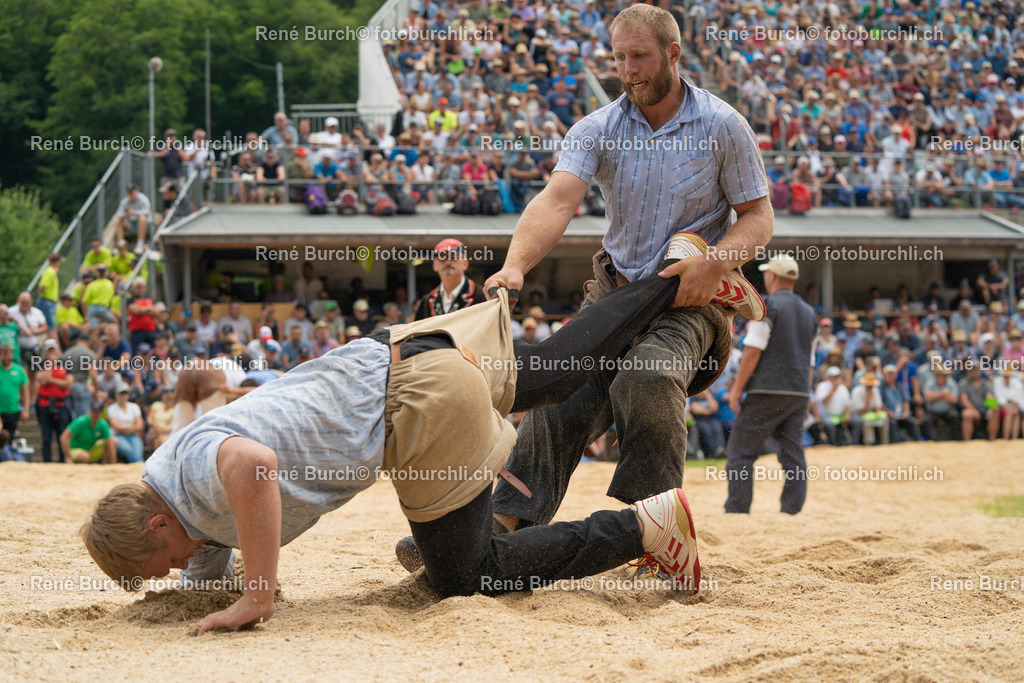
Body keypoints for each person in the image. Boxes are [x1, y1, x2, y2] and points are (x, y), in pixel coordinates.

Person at [80, 262, 702, 635]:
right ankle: (679, 281)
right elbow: (209, 548)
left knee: (468, 577)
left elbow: (255, 466)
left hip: (414, 405)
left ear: (158, 522)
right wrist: (204, 595)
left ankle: (645, 529)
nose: (166, 573)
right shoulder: (174, 493)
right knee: (555, 372)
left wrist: (258, 593)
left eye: (154, 565)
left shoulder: (190, 474)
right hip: (408, 355)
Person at [481, 4, 771, 547]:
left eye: (639, 56)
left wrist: (716, 262)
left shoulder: (724, 125)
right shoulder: (597, 128)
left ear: (673, 54)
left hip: (688, 304)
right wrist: (514, 266)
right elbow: (557, 200)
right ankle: (499, 529)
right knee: (557, 391)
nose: (629, 69)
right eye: (619, 57)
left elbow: (759, 216)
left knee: (648, 377)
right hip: (614, 297)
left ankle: (658, 536)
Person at [725, 255, 816, 514]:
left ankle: (737, 509)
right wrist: (806, 395)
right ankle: (791, 510)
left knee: (741, 452)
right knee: (793, 453)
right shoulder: (810, 313)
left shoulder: (766, 306)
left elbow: (753, 350)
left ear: (772, 276)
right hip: (798, 391)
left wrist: (737, 389)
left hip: (766, 388)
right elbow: (809, 361)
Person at [414, 238, 485, 319]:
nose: (448, 262)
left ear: (465, 263)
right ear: (435, 265)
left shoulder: (482, 296)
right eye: (442, 257)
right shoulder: (427, 301)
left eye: (453, 257)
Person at [35, 339, 73, 463]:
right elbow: (42, 380)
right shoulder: (40, 363)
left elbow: (67, 384)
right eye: (49, 350)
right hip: (44, 404)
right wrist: (50, 365)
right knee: (46, 436)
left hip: (61, 404)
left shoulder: (66, 363)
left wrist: (51, 380)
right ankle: (47, 461)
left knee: (62, 435)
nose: (52, 352)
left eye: (53, 349)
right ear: (46, 351)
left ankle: (63, 460)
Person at [61, 399, 118, 464]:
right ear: (89, 411)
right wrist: (68, 458)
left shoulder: (103, 424)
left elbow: (109, 441)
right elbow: (64, 437)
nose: (95, 414)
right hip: (76, 450)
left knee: (113, 441)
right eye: (93, 411)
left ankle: (105, 464)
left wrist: (113, 463)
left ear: (101, 414)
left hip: (91, 451)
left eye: (97, 412)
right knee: (84, 457)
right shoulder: (80, 422)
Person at [958, 361, 998, 441]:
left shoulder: (986, 384)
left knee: (994, 412)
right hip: (971, 409)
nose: (974, 372)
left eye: (976, 370)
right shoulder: (963, 383)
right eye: (972, 370)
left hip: (984, 410)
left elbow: (990, 398)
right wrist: (973, 410)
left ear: (980, 371)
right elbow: (964, 401)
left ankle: (992, 440)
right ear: (968, 371)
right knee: (967, 414)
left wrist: (992, 408)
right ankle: (967, 441)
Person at [108, 384, 145, 463]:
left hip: (133, 435)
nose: (123, 396)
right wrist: (132, 426)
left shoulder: (134, 407)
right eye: (121, 393)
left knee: (136, 451)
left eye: (125, 393)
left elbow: (139, 425)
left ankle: (139, 464)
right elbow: (116, 427)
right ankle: (141, 464)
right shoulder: (111, 408)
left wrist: (124, 428)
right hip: (118, 436)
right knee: (127, 450)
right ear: (116, 395)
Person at [849, 373, 889, 446]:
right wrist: (868, 398)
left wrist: (878, 413)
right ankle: (869, 442)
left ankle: (885, 442)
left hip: (871, 413)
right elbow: (862, 411)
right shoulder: (857, 392)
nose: (870, 387)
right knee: (866, 419)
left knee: (884, 417)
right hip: (858, 414)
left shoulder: (875, 390)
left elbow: (878, 406)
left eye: (871, 386)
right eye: (868, 385)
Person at [0, 343, 30, 438]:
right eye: (4, 355)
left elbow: (25, 391)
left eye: (8, 355)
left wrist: (26, 410)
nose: (6, 358)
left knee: (10, 438)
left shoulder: (19, 370)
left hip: (13, 410)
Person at [115, 185, 152, 253]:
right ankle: (121, 245)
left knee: (142, 218)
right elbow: (118, 214)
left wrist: (134, 213)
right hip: (131, 225)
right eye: (129, 192)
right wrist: (125, 214)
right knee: (118, 220)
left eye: (132, 192)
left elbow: (147, 212)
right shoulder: (125, 201)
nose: (130, 194)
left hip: (146, 226)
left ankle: (140, 244)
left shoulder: (143, 199)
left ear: (136, 191)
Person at [37, 252, 63, 339]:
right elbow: (41, 286)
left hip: (48, 302)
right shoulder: (50, 272)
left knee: (50, 328)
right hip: (47, 302)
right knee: (52, 328)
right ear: (56, 262)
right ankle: (56, 350)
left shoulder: (50, 272)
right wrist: (39, 297)